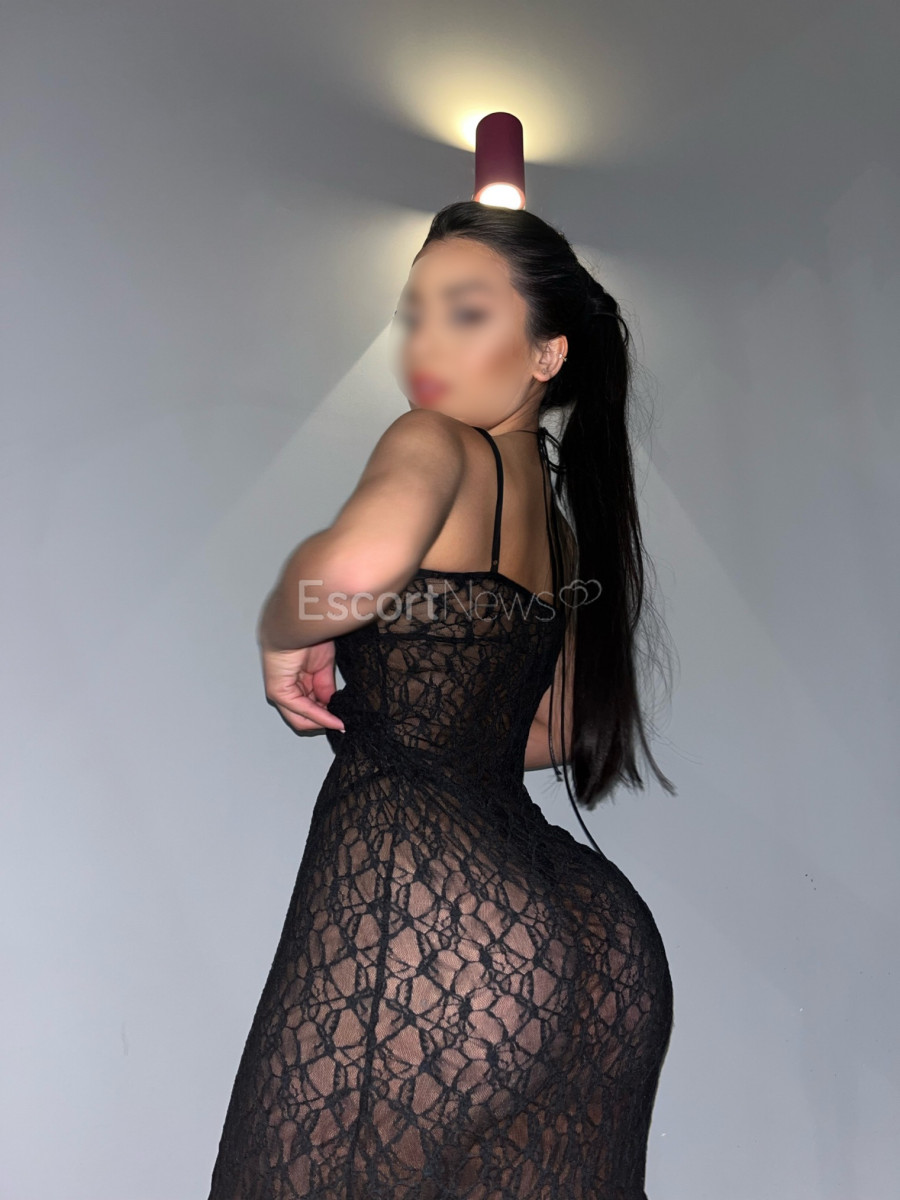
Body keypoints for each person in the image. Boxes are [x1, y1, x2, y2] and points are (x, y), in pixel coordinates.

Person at [207, 200, 677, 1199]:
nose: (423, 342)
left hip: (433, 903)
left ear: (546, 353)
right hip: (591, 933)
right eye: (413, 313)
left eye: (465, 313)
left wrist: (284, 633)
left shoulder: (434, 441)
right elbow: (555, 727)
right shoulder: (558, 527)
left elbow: (347, 576)